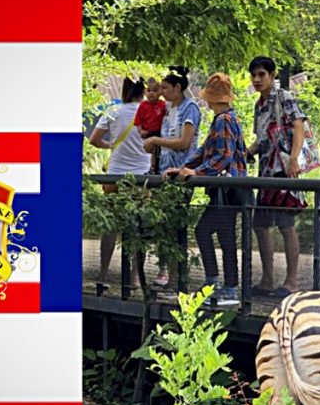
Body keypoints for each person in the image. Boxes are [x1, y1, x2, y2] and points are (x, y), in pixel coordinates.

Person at [165, 73, 250, 305]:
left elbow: (223, 156)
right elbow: (203, 151)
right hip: (226, 188)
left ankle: (220, 285)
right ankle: (224, 286)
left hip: (227, 188)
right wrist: (183, 168)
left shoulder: (224, 120)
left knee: (206, 231)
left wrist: (196, 172)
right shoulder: (224, 118)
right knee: (224, 236)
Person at [247, 56, 306, 298]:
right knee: (260, 225)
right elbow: (261, 140)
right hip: (265, 173)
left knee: (286, 225)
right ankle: (268, 279)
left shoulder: (284, 97)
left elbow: (299, 126)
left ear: (272, 76)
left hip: (283, 170)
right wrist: (246, 153)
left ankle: (291, 281)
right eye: (254, 75)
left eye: (262, 74)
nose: (257, 79)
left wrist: (294, 158)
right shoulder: (258, 105)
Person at [143, 65, 201, 289]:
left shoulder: (190, 108)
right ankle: (165, 270)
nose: (162, 92)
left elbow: (184, 142)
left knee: (175, 225)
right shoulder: (167, 109)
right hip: (163, 171)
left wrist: (156, 140)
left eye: (165, 87)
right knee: (163, 225)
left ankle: (178, 278)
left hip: (181, 172)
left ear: (178, 87)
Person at [89, 77, 150, 287]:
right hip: (141, 177)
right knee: (137, 226)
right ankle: (134, 277)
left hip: (114, 176)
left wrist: (112, 145)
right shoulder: (149, 112)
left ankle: (103, 274)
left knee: (110, 227)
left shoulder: (113, 111)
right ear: (143, 90)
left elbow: (93, 139)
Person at [134, 77, 166, 174]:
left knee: (160, 150)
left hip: (160, 132)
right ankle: (153, 167)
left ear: (160, 92)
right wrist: (140, 130)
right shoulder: (143, 106)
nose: (151, 93)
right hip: (149, 132)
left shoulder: (163, 104)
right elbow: (138, 120)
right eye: (149, 90)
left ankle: (158, 166)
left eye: (155, 91)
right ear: (144, 92)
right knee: (154, 150)